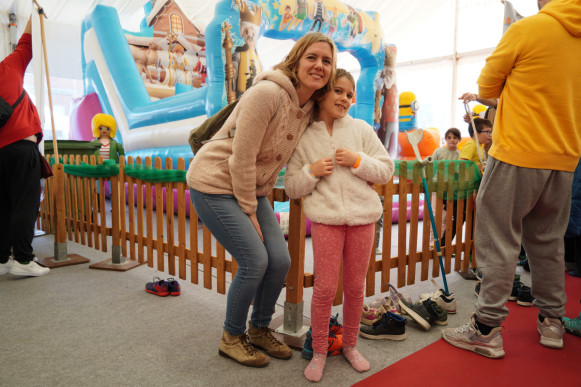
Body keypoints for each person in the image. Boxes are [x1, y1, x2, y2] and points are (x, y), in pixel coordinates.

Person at [186, 32, 337, 368]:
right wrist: (250, 212)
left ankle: (258, 329)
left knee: (280, 261)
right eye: (312, 57)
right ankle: (231, 336)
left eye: (326, 61)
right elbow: (241, 159)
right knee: (255, 260)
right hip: (214, 182)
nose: (319, 65)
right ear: (296, 60)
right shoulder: (267, 93)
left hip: (251, 189)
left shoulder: (309, 106)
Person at [442, 0, 581, 358]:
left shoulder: (527, 29)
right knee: (549, 242)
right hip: (564, 158)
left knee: (498, 239)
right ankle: (552, 320)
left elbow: (488, 83)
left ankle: (485, 328)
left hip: (518, 152)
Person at [284, 69, 394, 382]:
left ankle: (351, 345)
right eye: (339, 91)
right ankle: (320, 349)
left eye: (350, 94)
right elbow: (292, 186)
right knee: (325, 289)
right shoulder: (305, 137)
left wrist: (358, 161)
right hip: (327, 221)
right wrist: (312, 171)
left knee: (356, 287)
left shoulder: (360, 129)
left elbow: (386, 170)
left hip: (363, 219)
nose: (346, 98)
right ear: (321, 94)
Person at [0, 15, 50, 277]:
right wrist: (35, 12)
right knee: (24, 204)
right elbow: (27, 43)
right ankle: (22, 260)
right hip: (21, 148)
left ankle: (2, 260)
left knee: (3, 206)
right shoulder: (7, 68)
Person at [430, 128, 461, 246]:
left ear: (459, 139)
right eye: (449, 138)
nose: (452, 140)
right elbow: (431, 167)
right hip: (437, 186)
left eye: (455, 138)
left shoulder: (460, 154)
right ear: (445, 139)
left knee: (447, 216)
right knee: (434, 213)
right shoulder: (438, 152)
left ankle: (442, 241)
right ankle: (433, 240)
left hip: (451, 188)